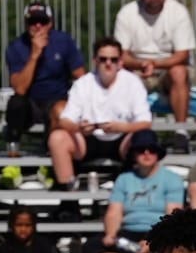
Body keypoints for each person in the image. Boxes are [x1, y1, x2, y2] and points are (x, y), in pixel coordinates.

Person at [52, 37, 153, 189]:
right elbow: (65, 120)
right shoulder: (83, 84)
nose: (108, 63)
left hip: (122, 140)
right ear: (95, 61)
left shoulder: (132, 82)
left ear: (120, 62)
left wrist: (121, 128)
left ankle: (134, 190)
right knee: (57, 137)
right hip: (88, 139)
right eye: (103, 59)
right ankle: (68, 201)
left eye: (113, 59)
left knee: (144, 136)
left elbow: (145, 122)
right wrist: (79, 128)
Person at [3, 2, 85, 156]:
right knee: (15, 103)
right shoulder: (16, 46)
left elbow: (80, 75)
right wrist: (34, 54)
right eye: (33, 22)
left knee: (61, 110)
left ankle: (50, 151)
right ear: (26, 24)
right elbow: (20, 88)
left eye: (43, 21)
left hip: (57, 98)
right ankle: (12, 148)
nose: (38, 26)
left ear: (50, 23)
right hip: (30, 102)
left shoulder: (63, 41)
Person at [113, 0, 194, 125]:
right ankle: (128, 130)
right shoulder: (126, 13)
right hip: (137, 69)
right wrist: (141, 65)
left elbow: (182, 55)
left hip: (168, 69)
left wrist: (154, 64)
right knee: (121, 77)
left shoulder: (178, 12)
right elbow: (121, 54)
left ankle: (181, 131)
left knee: (179, 72)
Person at [102, 130, 184, 253]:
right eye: (141, 150)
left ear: (158, 153)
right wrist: (111, 235)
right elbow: (114, 212)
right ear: (134, 154)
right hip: (128, 232)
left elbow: (172, 218)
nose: (146, 153)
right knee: (93, 247)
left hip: (158, 232)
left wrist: (153, 241)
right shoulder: (123, 179)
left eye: (152, 149)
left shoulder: (172, 179)